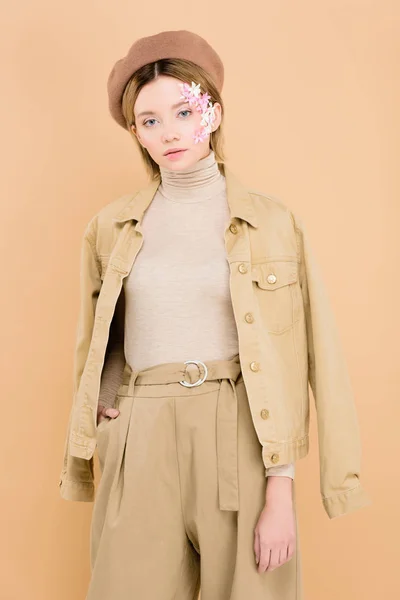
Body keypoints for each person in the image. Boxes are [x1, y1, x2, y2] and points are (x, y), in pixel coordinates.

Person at [59, 29, 371, 600]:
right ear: (135, 132)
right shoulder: (110, 228)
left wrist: (281, 488)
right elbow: (98, 345)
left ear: (213, 111)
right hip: (140, 431)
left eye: (183, 110)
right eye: (149, 120)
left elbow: (309, 355)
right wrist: (109, 431)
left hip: (240, 432)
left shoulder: (273, 223)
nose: (169, 131)